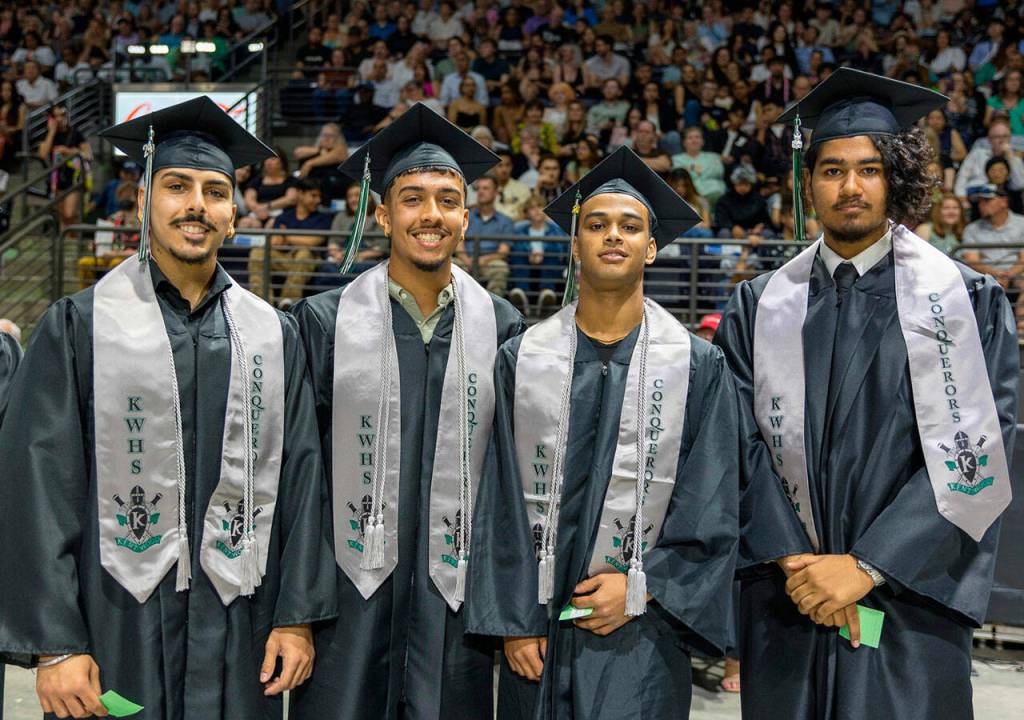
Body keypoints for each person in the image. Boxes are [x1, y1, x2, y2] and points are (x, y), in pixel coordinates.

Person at [0, 96, 337, 719]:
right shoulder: (79, 325)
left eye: (214, 191)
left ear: (234, 216)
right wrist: (54, 644)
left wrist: (297, 618)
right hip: (113, 624)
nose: (196, 205)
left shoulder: (272, 332)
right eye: (177, 186)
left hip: (242, 623)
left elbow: (304, 477)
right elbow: (34, 486)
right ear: (141, 203)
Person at [716, 68, 1018, 720]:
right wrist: (801, 566)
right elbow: (732, 442)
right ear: (809, 183)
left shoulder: (965, 301)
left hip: (907, 603)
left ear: (897, 179)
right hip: (788, 597)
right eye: (831, 170)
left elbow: (983, 447)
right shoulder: (759, 304)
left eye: (869, 169)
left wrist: (868, 567)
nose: (849, 186)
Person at [469, 146, 738, 719]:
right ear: (575, 243)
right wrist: (514, 623)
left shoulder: (696, 366)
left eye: (630, 226)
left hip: (642, 632)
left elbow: (710, 502)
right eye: (596, 224)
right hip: (535, 636)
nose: (612, 236)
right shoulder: (522, 358)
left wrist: (648, 587)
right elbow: (494, 499)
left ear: (652, 245)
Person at [288, 103, 525, 720]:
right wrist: (297, 610)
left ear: (466, 218)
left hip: (455, 604)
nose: (431, 215)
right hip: (346, 601)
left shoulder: (501, 327)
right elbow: (297, 474)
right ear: (381, 212)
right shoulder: (324, 322)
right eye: (412, 198)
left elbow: (512, 482)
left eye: (447, 200)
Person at [249, 177, 332, 307]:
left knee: (304, 253)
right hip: (286, 259)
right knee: (258, 253)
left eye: (319, 197)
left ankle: (288, 302)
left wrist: (286, 237)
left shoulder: (323, 218)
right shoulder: (284, 217)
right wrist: (290, 239)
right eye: (313, 196)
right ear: (300, 194)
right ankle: (262, 302)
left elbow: (313, 241)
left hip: (308, 262)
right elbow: (275, 241)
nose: (318, 200)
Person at [458, 174, 515, 296]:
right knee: (452, 265)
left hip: (490, 262)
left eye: (486, 188)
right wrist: (467, 260)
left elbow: (503, 251)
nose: (480, 192)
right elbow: (459, 245)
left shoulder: (506, 221)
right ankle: (457, 307)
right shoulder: (465, 216)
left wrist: (482, 260)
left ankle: (494, 307)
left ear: (495, 192)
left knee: (501, 268)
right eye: (478, 189)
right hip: (465, 260)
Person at [961, 184, 1024, 291]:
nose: (981, 205)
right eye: (980, 201)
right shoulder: (972, 229)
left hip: (1017, 273)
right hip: (985, 276)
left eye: (987, 200)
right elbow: (973, 261)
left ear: (1003, 202)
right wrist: (996, 274)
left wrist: (1007, 275)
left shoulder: (1021, 223)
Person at [954, 118, 1024, 202]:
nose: (1001, 140)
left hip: (1003, 199)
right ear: (989, 140)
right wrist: (962, 198)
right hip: (975, 197)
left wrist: (1010, 156)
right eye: (997, 137)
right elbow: (962, 177)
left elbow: (1019, 185)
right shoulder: (977, 154)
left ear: (1010, 138)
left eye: (1005, 136)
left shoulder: (1014, 159)